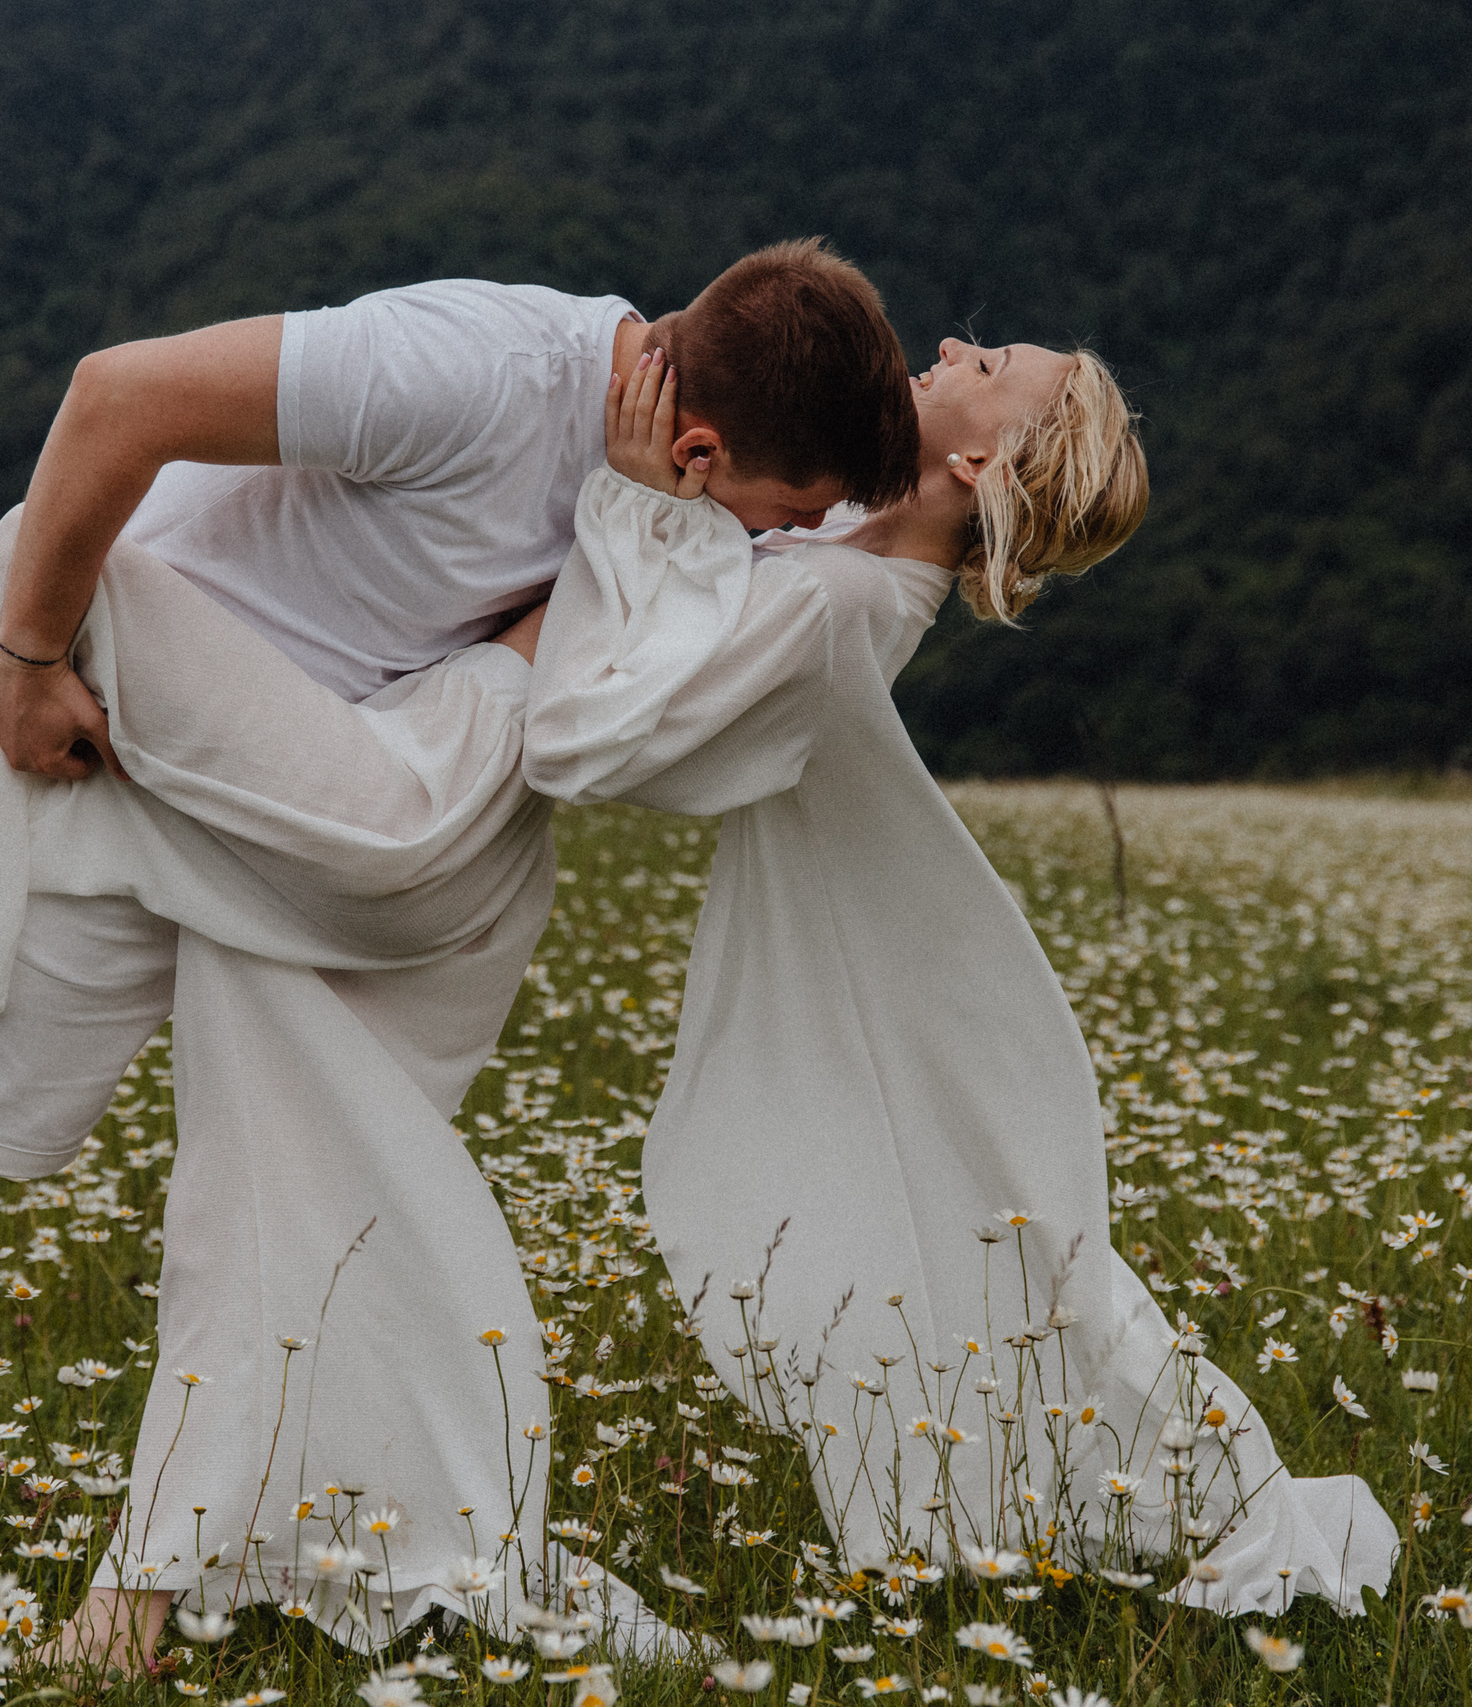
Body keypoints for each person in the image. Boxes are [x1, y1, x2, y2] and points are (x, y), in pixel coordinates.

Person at [0, 243, 920, 1703]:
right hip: (106, 759)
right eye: (774, 513)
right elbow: (114, 395)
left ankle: (158, 1583)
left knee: (294, 1187)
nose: (770, 540)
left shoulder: (654, 487)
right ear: (701, 443)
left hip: (308, 824)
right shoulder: (472, 369)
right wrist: (24, 658)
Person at [522, 342, 1402, 1610]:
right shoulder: (849, 541)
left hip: (842, 963)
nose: (946, 347)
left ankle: (1129, 1486)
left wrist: (632, 496)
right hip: (858, 956)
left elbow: (587, 745)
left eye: (984, 360)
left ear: (978, 460)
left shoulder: (839, 611)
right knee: (983, 1244)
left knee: (962, 1246)